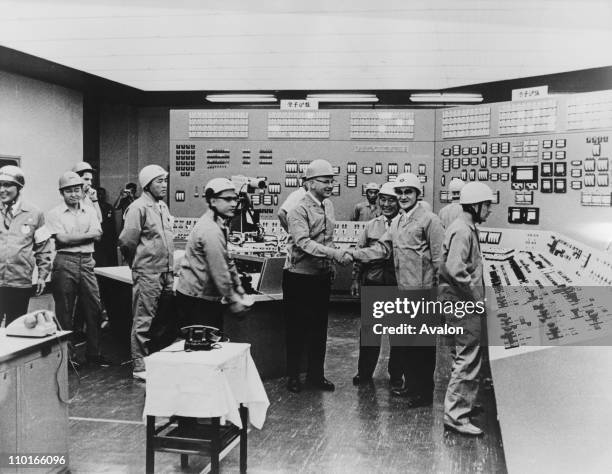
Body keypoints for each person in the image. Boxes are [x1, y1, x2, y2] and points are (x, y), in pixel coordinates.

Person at [346, 172, 444, 407]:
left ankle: (424, 394)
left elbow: (441, 261)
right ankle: (411, 386)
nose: (402, 196)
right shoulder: (399, 221)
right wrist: (352, 254)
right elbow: (381, 249)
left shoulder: (430, 220)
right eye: (399, 193)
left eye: (407, 192)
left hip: (423, 293)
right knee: (409, 347)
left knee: (423, 349)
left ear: (417, 194)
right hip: (403, 292)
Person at [283, 159, 348, 393]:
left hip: (321, 277)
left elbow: (327, 238)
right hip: (299, 277)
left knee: (320, 329)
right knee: (297, 328)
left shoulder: (328, 206)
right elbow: (303, 243)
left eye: (332, 180)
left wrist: (331, 264)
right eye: (325, 181)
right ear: (310, 183)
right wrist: (334, 254)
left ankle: (315, 376)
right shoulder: (298, 210)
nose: (330, 185)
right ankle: (292, 376)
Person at [439, 182, 494, 436]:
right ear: (476, 205)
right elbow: (456, 269)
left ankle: (462, 405)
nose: (490, 210)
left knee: (462, 356)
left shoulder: (463, 226)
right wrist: (476, 299)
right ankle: (456, 416)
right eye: (487, 205)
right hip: (463, 303)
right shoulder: (463, 230)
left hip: (456, 301)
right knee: (467, 357)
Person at [46, 172, 111, 367]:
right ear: (61, 193)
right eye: (68, 191)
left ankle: (94, 353)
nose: (73, 194)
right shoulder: (54, 214)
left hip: (87, 261)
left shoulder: (90, 210)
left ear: (82, 191)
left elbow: (98, 235)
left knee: (94, 308)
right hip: (65, 261)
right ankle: (67, 357)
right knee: (64, 310)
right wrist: (87, 235)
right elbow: (62, 240)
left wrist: (74, 236)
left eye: (77, 190)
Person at [118, 165, 175, 381]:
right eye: (159, 181)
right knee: (143, 319)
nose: (164, 185)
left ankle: (158, 359)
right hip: (148, 272)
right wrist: (139, 263)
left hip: (166, 271)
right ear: (147, 184)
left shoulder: (162, 207)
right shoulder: (137, 208)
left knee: (163, 319)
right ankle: (139, 366)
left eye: (165, 180)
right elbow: (127, 241)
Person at [176, 178, 250, 329]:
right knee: (202, 347)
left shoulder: (220, 224)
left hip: (202, 296)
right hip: (197, 299)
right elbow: (219, 270)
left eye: (235, 199)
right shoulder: (210, 229)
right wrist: (233, 299)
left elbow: (227, 260)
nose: (234, 204)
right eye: (228, 199)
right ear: (213, 201)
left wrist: (238, 286)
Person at [350, 182, 403, 388]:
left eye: (392, 200)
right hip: (373, 283)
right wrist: (355, 278)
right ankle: (364, 373)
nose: (387, 204)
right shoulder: (371, 225)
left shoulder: (406, 224)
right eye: (383, 199)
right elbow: (360, 252)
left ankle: (397, 374)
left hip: (398, 284)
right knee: (370, 332)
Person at [0, 165, 53, 326]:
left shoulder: (35, 214)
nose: (2, 189)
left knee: (15, 328)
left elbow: (43, 248)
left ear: (19, 187)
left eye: (7, 185)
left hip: (20, 282)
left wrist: (43, 276)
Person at [94, 187, 117, 267]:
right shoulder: (94, 207)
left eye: (103, 194)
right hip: (99, 236)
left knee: (109, 258)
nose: (101, 196)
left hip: (109, 236)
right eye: (99, 194)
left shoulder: (109, 207)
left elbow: (112, 223)